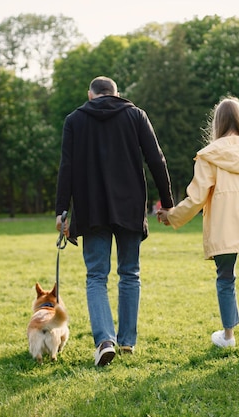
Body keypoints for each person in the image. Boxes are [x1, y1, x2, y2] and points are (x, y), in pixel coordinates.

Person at [55, 76, 174, 366]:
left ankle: (104, 340)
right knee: (129, 273)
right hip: (129, 206)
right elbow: (157, 159)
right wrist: (168, 203)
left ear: (90, 94)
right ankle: (127, 343)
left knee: (96, 276)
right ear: (117, 94)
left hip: (91, 207)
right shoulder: (135, 115)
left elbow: (66, 166)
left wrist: (61, 209)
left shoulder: (75, 120)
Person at [157, 97, 239, 364]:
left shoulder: (209, 154)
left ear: (216, 123)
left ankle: (228, 335)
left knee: (225, 278)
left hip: (224, 227)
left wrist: (173, 216)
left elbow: (196, 198)